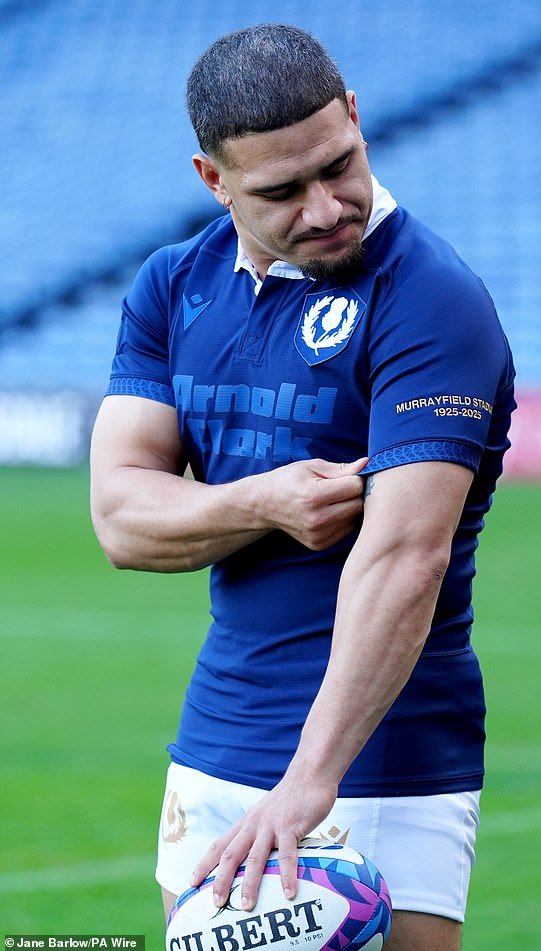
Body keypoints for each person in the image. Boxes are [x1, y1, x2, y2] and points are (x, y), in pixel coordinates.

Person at [90, 23, 515, 951]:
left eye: (339, 166)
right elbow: (122, 518)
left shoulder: (431, 298)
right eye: (282, 191)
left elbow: (406, 557)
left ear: (354, 117)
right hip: (215, 739)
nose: (326, 208)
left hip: (377, 758)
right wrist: (262, 500)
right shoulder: (172, 284)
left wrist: (309, 780)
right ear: (213, 179)